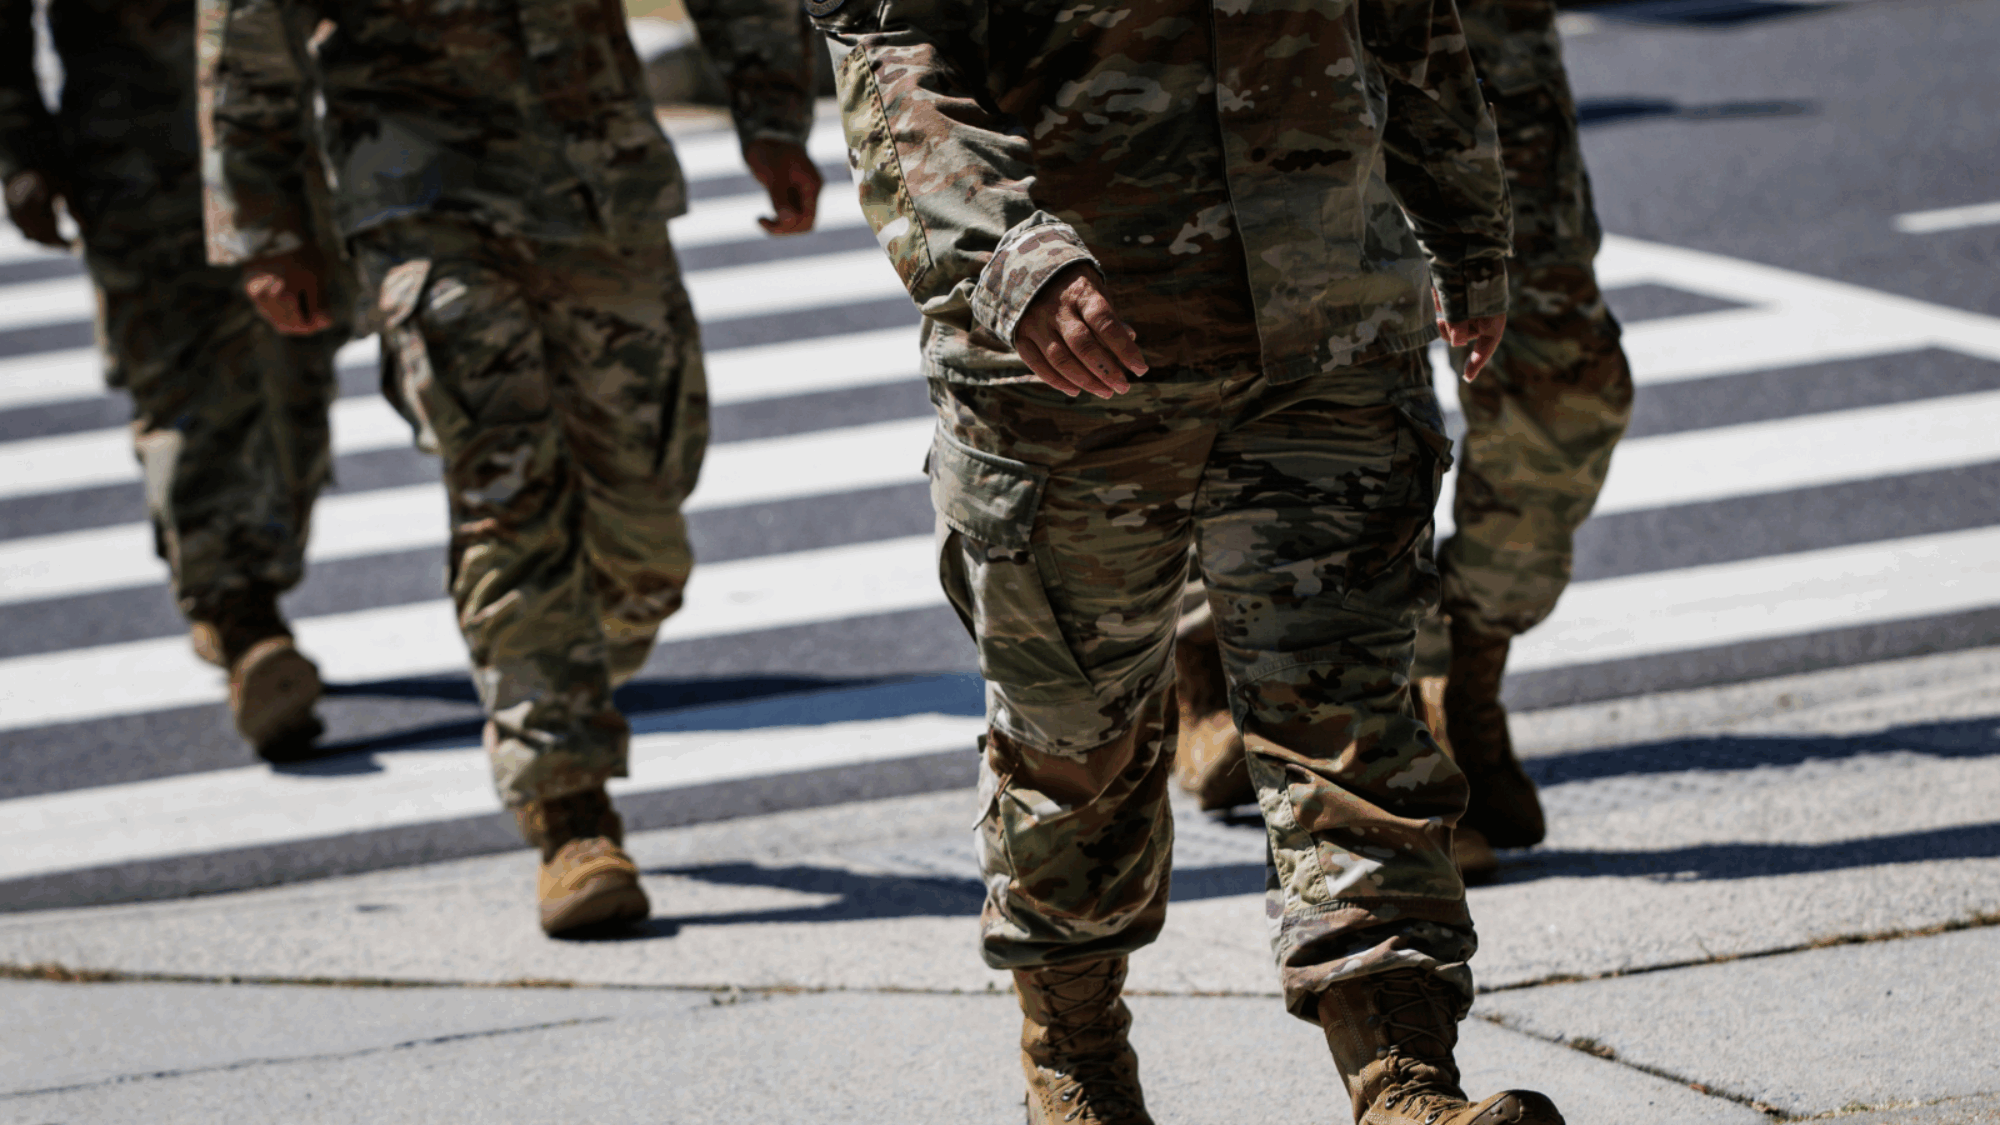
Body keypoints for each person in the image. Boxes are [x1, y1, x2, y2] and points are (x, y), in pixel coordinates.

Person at [815, 0, 1563, 1122]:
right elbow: (891, 47)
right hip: (1072, 358)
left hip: (1326, 331)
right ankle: (1077, 1070)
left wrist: (1463, 217)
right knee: (1078, 748)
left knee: (1355, 719)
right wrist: (1002, 250)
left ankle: (1403, 1080)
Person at [200, 0, 822, 934]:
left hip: (599, 178)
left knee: (645, 541)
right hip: (419, 194)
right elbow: (245, 29)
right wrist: (265, 221)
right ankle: (570, 813)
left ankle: (555, 671)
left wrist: (771, 114)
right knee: (507, 491)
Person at [1170, 0, 1637, 884]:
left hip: (1482, 30)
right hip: (1285, 37)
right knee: (1356, 384)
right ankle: (1392, 723)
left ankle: (1469, 661)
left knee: (1569, 379)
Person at [0, 0, 343, 760]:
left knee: (298, 372)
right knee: (185, 384)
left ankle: (248, 583)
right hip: (139, 152)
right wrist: (20, 147)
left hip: (281, 143)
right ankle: (242, 613)